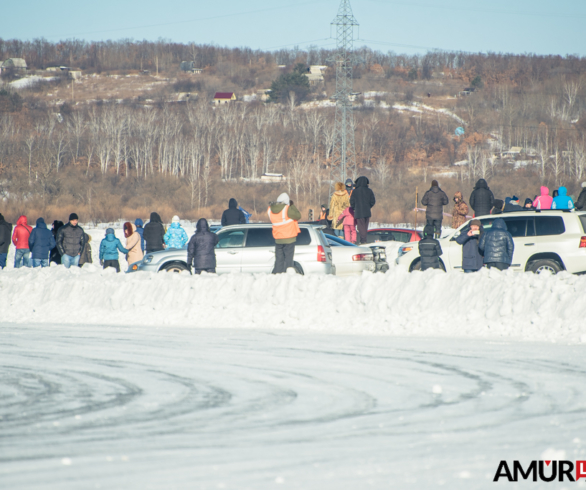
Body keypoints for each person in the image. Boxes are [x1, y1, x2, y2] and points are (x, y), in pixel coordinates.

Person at [268, 193, 301, 274]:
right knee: (288, 260)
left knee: (279, 260)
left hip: (278, 238)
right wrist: (292, 205)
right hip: (289, 238)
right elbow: (298, 215)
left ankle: (278, 276)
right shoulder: (287, 208)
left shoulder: (270, 209)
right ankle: (288, 277)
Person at [350, 176, 376, 245]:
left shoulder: (355, 191)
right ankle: (364, 240)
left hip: (359, 212)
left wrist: (354, 208)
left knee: (360, 227)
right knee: (365, 226)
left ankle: (363, 240)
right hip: (367, 212)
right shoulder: (369, 191)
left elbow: (352, 201)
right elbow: (373, 201)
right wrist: (368, 207)